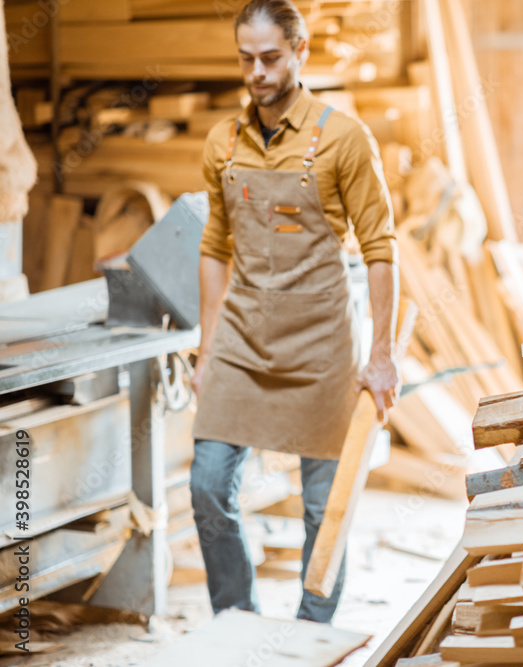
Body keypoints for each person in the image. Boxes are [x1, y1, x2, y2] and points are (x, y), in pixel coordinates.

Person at [188, 0, 399, 623]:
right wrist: (206, 350)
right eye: (245, 58)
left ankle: (312, 638)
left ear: (301, 52)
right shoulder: (221, 142)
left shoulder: (343, 138)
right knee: (205, 486)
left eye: (270, 58)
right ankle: (236, 619)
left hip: (321, 346)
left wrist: (381, 357)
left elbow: (382, 249)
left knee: (321, 510)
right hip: (240, 342)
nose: (256, 71)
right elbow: (213, 248)